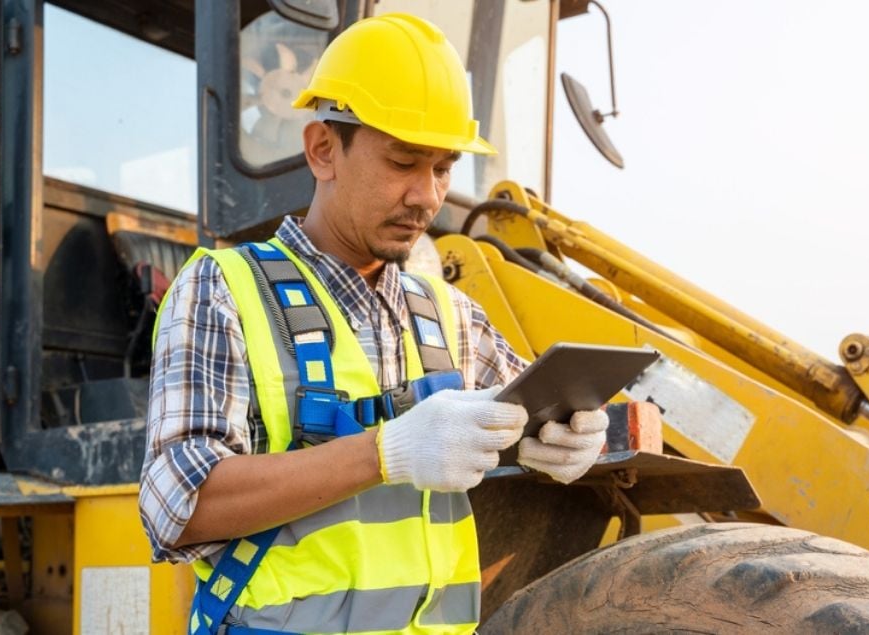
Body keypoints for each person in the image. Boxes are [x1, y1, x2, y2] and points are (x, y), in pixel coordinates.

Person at [138, 12, 609, 635]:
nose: (428, 195)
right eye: (404, 162)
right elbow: (176, 504)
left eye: (442, 167)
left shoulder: (451, 316)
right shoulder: (224, 290)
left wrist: (570, 441)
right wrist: (387, 451)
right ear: (323, 150)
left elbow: (524, 416)